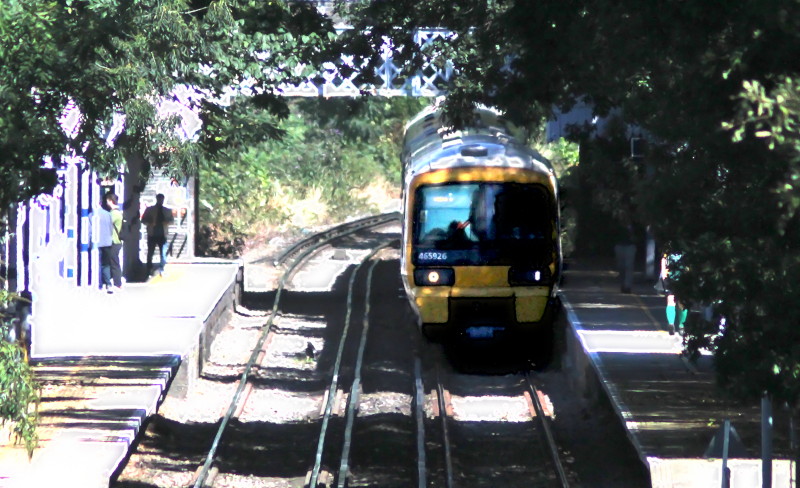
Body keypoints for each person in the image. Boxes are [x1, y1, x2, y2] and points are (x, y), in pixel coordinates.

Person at [141, 193, 174, 277]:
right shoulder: (150, 210)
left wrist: (167, 222)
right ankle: (149, 269)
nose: (160, 201)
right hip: (152, 233)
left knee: (163, 253)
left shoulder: (167, 210)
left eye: (162, 199)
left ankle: (161, 268)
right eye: (159, 199)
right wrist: (150, 222)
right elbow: (143, 220)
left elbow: (172, 221)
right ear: (156, 199)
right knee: (150, 253)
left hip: (162, 234)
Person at [98, 192, 123, 293]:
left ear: (109, 201)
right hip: (114, 241)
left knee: (113, 263)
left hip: (114, 241)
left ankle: (117, 283)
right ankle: (115, 282)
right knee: (112, 262)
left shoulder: (114, 213)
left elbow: (105, 222)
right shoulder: (116, 212)